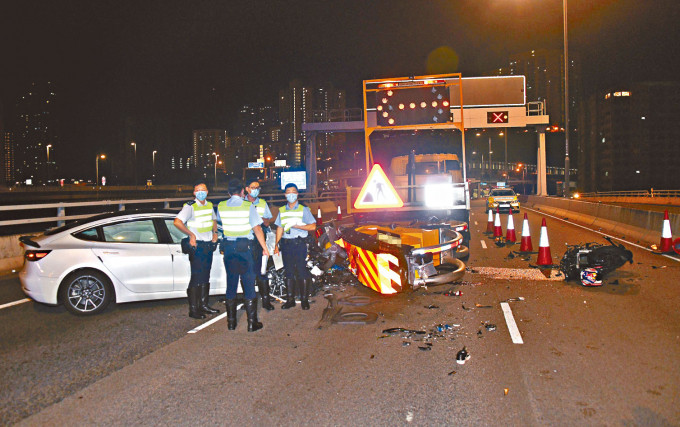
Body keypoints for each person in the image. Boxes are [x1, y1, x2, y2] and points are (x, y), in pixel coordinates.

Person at [217, 178, 270, 332]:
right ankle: (252, 323)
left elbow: (220, 224)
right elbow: (257, 229)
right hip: (245, 249)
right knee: (248, 283)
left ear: (228, 192)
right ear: (242, 191)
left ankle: (231, 323)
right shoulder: (248, 206)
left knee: (231, 283)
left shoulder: (221, 206)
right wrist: (264, 248)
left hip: (228, 249)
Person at [173, 180, 220, 319]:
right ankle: (193, 309)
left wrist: (215, 234)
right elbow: (177, 222)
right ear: (194, 193)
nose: (200, 192)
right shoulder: (190, 207)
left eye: (203, 190)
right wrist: (191, 235)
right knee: (196, 277)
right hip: (197, 245)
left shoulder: (209, 205)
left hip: (208, 245)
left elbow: (213, 220)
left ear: (207, 192)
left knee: (205, 275)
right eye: (197, 190)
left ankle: (204, 305)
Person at [274, 183, 317, 310]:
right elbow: (279, 228)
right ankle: (290, 300)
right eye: (288, 192)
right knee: (289, 272)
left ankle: (304, 300)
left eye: (293, 191)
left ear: (297, 194)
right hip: (286, 245)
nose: (291, 194)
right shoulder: (282, 210)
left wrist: (297, 226)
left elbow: (313, 226)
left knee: (301, 271)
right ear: (285, 194)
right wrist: (276, 244)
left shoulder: (304, 209)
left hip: (299, 244)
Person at [243, 180, 275, 311]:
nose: (255, 189)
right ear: (247, 189)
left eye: (257, 188)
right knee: (246, 273)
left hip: (260, 240)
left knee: (262, 272)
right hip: (246, 240)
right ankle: (248, 301)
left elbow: (267, 222)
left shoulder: (262, 203)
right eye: (252, 187)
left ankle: (266, 301)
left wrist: (259, 219)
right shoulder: (241, 203)